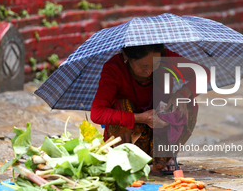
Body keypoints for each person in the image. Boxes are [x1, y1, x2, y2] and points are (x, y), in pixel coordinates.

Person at [90, 44, 210, 174]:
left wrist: (182, 94)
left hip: (161, 128)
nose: (149, 71)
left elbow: (203, 73)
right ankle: (128, 159)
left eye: (155, 64)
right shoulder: (114, 68)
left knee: (188, 102)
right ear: (126, 56)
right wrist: (141, 118)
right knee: (122, 104)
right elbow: (97, 113)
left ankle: (166, 157)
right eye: (143, 66)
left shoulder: (166, 57)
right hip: (132, 133)